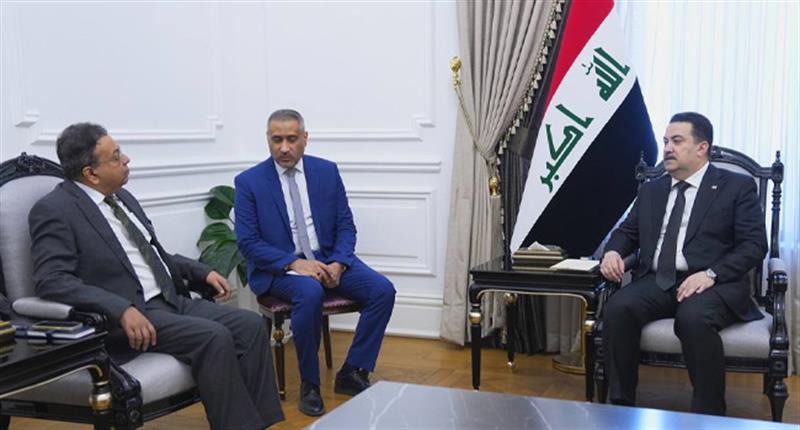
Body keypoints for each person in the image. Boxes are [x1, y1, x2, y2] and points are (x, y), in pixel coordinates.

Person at [29, 123, 284, 430]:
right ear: (91, 173)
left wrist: (202, 271)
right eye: (116, 157)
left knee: (251, 325)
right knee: (214, 337)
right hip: (132, 316)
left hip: (171, 300)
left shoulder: (122, 198)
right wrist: (121, 309)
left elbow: (154, 255)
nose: (126, 160)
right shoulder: (54, 210)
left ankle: (263, 425)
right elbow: (52, 279)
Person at [599, 112, 767, 415]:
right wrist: (612, 252)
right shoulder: (652, 189)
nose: (667, 148)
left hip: (714, 282)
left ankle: (709, 415)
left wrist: (711, 274)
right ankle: (620, 408)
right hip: (659, 280)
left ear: (702, 147)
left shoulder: (736, 186)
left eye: (677, 141)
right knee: (618, 308)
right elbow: (627, 232)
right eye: (665, 141)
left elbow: (754, 245)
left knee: (692, 318)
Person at [235, 109, 396, 416]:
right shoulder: (249, 182)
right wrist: (294, 264)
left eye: (291, 139)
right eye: (277, 140)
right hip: (280, 267)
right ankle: (310, 384)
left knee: (382, 290)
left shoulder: (326, 171)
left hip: (327, 257)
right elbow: (248, 242)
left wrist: (339, 263)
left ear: (305, 138)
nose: (284, 147)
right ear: (267, 139)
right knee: (310, 292)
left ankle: (353, 371)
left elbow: (346, 226)